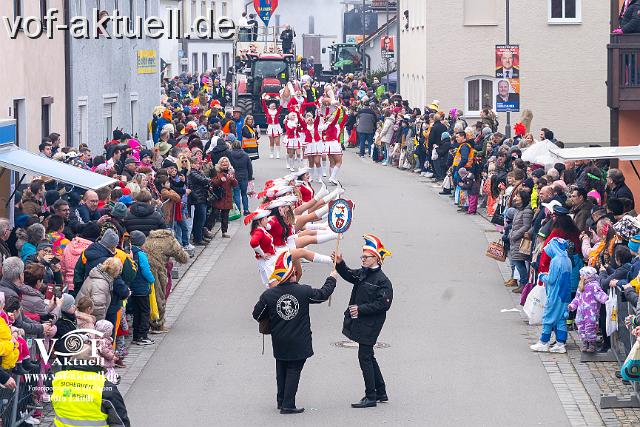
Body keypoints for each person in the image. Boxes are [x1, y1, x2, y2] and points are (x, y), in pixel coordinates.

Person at [252, 250, 337, 414]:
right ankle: (288, 404)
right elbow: (322, 295)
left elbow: (257, 314)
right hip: (299, 340)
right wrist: (332, 278)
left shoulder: (268, 295)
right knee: (294, 370)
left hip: (279, 339)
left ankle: (281, 400)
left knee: (281, 368)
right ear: (291, 274)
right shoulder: (303, 291)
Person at [332, 234, 393, 408]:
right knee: (369, 356)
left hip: (372, 323)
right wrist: (340, 263)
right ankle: (380, 391)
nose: (363, 259)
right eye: (363, 256)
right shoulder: (363, 273)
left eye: (366, 256)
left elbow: (383, 304)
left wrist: (361, 309)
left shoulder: (383, 281)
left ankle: (370, 396)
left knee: (364, 356)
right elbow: (350, 275)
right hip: (362, 321)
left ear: (377, 259)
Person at [51, 345, 130, 427]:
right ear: (94, 360)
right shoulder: (104, 386)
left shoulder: (57, 379)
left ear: (72, 358)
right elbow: (120, 421)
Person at [530, 237, 572, 354]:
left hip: (555, 295)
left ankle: (544, 342)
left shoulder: (556, 260)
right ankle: (560, 343)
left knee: (548, 318)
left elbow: (551, 279)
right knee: (560, 319)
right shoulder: (567, 260)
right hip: (565, 295)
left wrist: (543, 276)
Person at [568, 266, 609, 353]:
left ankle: (591, 344)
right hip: (580, 313)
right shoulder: (580, 286)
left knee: (590, 327)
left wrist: (606, 299)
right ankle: (585, 342)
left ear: (587, 276)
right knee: (581, 326)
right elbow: (577, 299)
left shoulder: (594, 286)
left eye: (581, 275)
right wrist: (572, 305)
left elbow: (600, 294)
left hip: (591, 313)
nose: (580, 277)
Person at [128, 231, 155, 345]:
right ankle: (143, 335)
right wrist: (152, 279)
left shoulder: (129, 252)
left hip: (132, 287)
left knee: (136, 312)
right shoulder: (141, 254)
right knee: (144, 311)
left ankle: (136, 336)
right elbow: (145, 270)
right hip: (142, 288)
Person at [76, 257, 123, 321]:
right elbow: (97, 308)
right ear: (116, 272)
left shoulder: (99, 275)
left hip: (83, 314)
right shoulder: (101, 283)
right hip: (87, 319)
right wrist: (99, 324)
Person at [229, 140, 254, 216]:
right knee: (244, 194)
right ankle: (246, 210)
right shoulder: (245, 155)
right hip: (244, 176)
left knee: (236, 194)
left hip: (235, 176)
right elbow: (249, 167)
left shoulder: (230, 155)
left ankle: (238, 210)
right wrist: (250, 177)